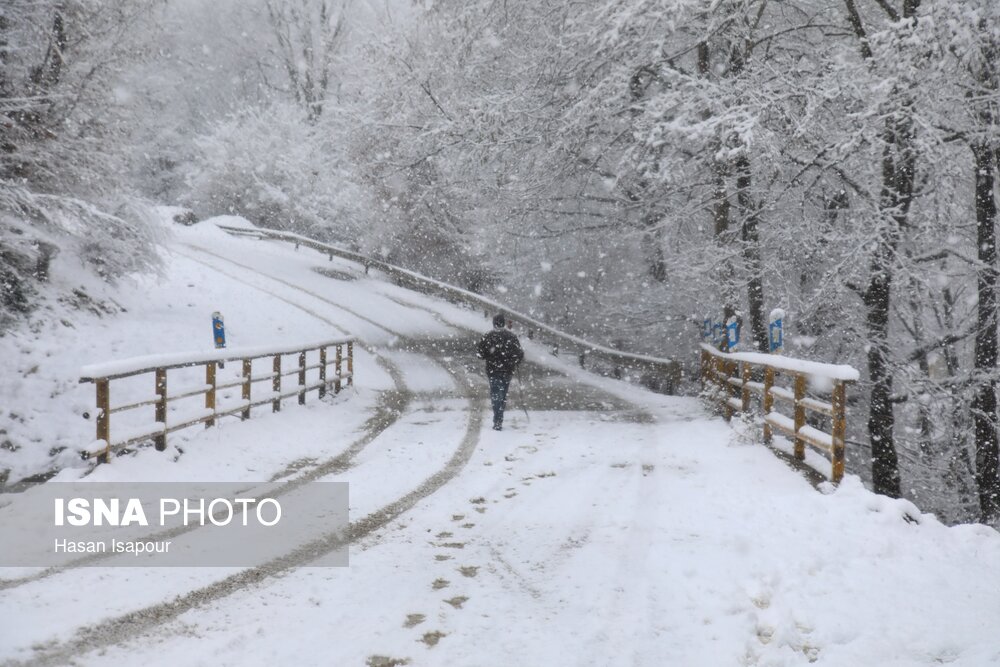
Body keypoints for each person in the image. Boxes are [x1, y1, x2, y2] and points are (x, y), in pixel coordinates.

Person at [476, 313, 524, 430]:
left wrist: (489, 354)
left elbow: (480, 354)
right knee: (503, 394)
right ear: (503, 323)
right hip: (507, 370)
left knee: (496, 394)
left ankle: (497, 419)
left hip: (493, 370)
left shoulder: (488, 336)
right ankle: (499, 416)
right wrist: (514, 361)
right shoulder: (511, 336)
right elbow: (519, 354)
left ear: (494, 323)